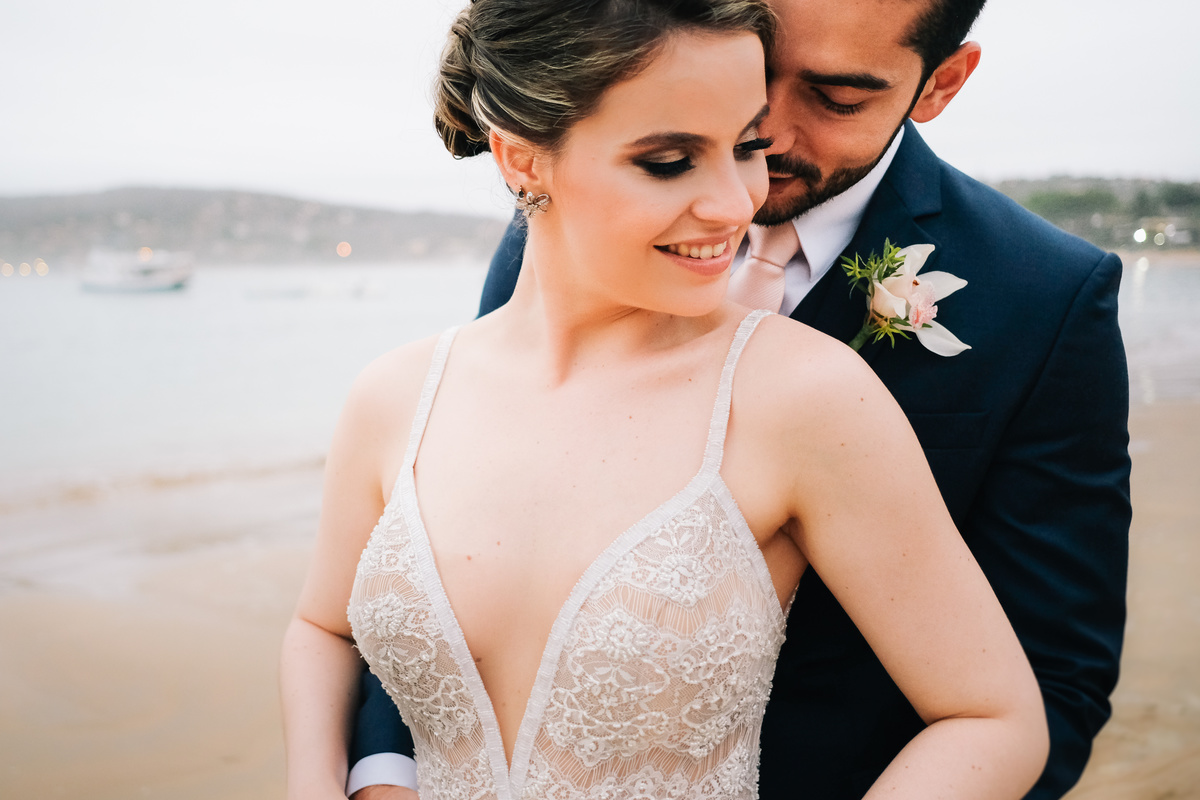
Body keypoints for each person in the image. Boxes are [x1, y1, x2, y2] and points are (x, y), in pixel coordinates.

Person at [345, 0, 1131, 798]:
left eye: (835, 97)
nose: (769, 132)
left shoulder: (1041, 295)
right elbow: (442, 537)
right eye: (757, 71)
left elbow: (1052, 679)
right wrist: (386, 770)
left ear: (941, 84)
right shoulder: (569, 220)